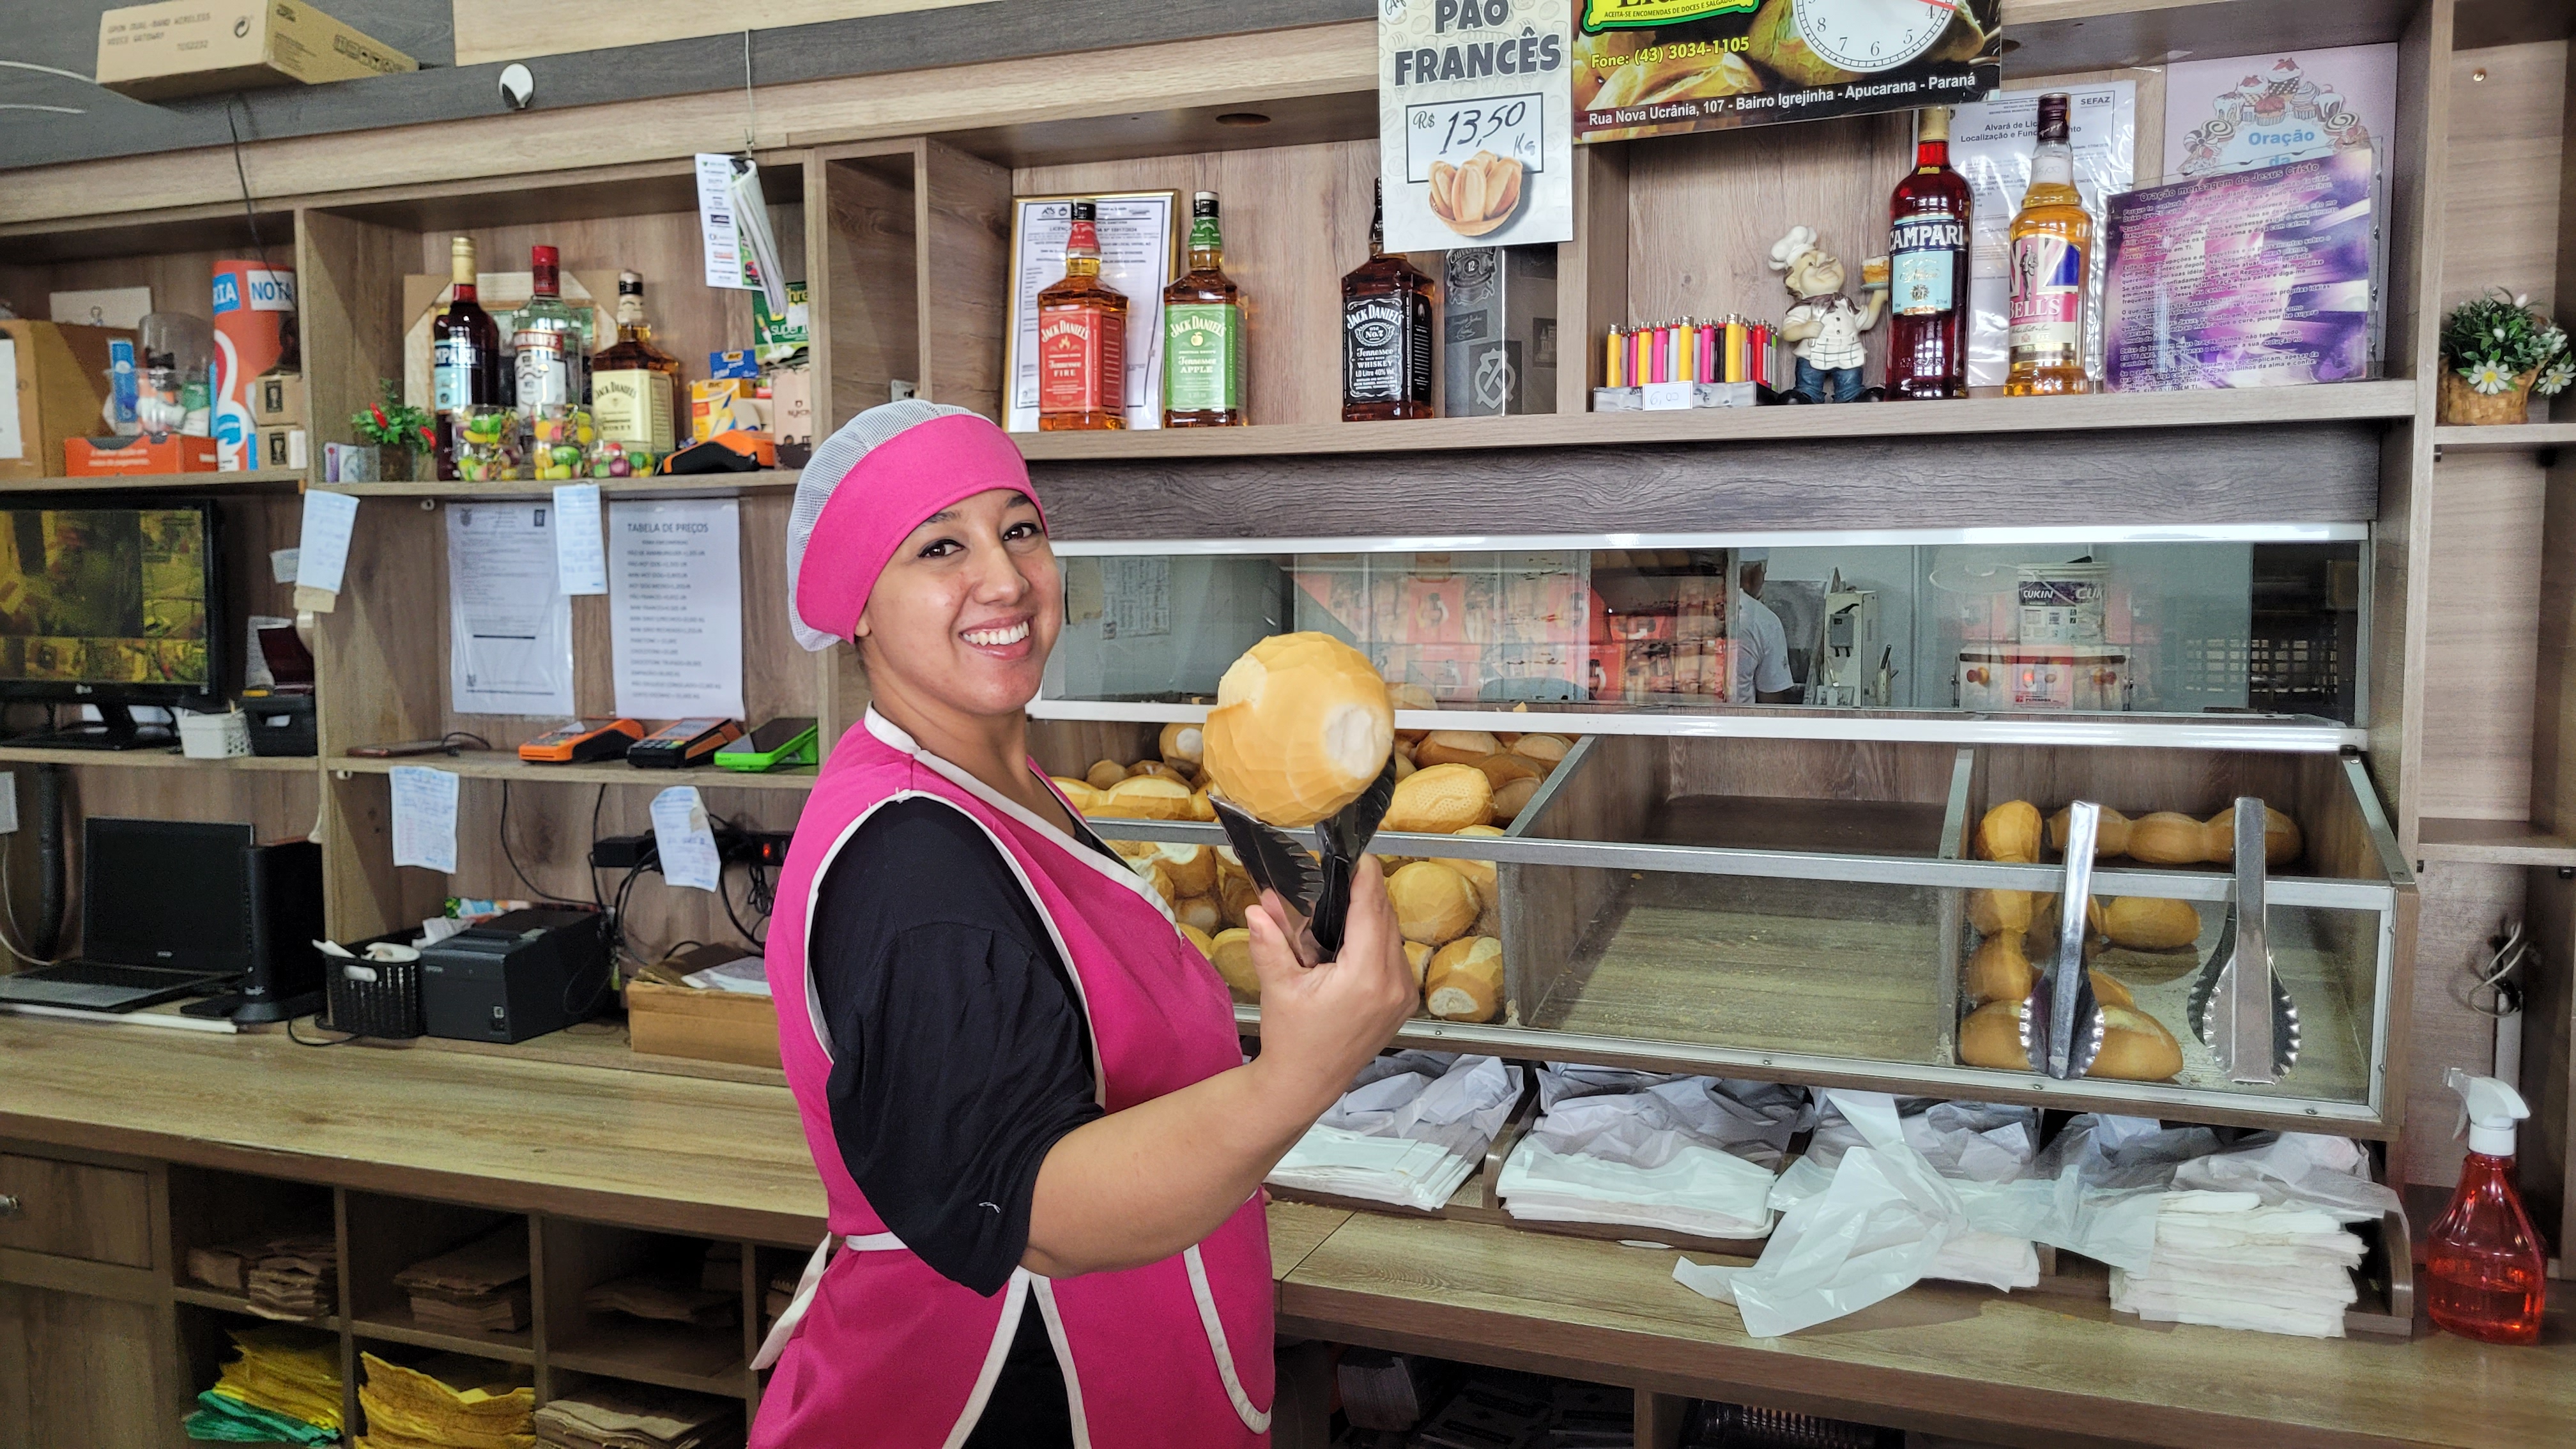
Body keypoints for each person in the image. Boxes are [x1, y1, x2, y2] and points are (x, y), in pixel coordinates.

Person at [750, 400, 1419, 1448]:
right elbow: (1036, 1210)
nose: (1007, 579)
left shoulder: (1003, 786)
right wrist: (1298, 1074)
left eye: (1020, 528)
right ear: (858, 607)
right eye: (939, 545)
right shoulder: (910, 864)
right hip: (989, 1400)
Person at [1733, 550, 1800, 705]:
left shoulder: (1698, 603)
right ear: (1755, 574)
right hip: (1739, 725)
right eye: (1764, 572)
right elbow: (1771, 700)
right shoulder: (1764, 620)